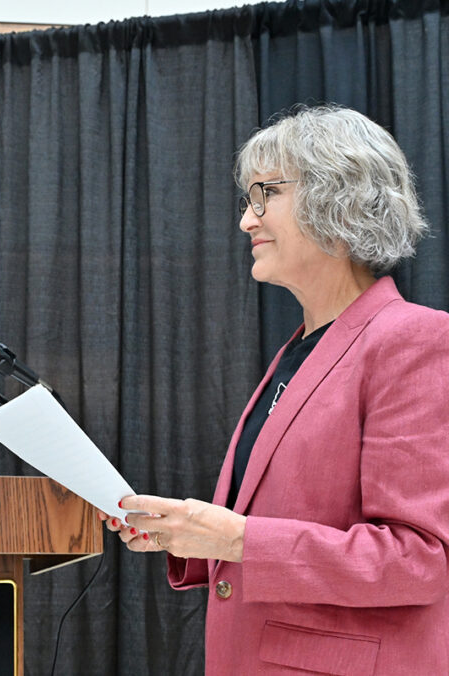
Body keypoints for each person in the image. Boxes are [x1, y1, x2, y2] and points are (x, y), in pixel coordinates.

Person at [101, 105, 449, 674]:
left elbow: (418, 560)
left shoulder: (415, 339)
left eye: (265, 193)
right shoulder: (296, 350)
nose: (247, 219)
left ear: (340, 197)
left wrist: (239, 540)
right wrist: (190, 537)